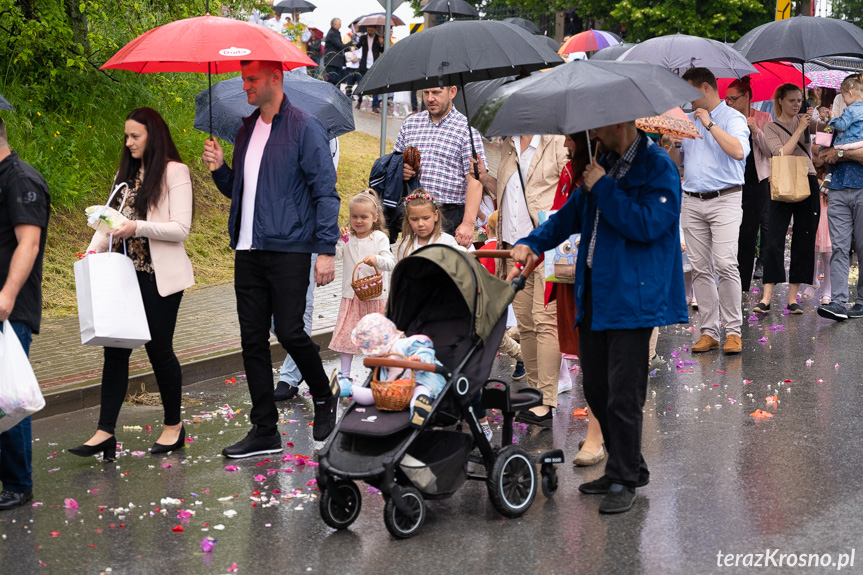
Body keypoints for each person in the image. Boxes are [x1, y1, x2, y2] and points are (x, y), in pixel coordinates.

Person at [511, 120, 687, 514]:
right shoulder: (601, 162)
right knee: (597, 389)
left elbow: (648, 225)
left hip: (633, 295)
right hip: (598, 292)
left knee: (624, 393)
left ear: (619, 122)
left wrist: (603, 186)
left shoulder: (657, 165)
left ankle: (624, 478)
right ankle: (628, 465)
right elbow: (568, 217)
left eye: (596, 127)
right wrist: (531, 243)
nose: (590, 135)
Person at [202, 60, 341, 455]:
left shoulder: (304, 127)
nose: (245, 86)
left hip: (288, 248)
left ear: (275, 79)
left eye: (252, 79)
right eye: (244, 79)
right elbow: (241, 192)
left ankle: (322, 394)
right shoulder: (246, 130)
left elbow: (325, 193)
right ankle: (265, 429)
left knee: (291, 332)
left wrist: (326, 250)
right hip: (247, 250)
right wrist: (220, 169)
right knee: (251, 341)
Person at [70, 107, 195, 460]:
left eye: (135, 136)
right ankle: (104, 432)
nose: (128, 143)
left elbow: (179, 229)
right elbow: (108, 221)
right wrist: (91, 252)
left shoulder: (175, 172)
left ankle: (173, 426)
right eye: (126, 136)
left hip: (160, 277)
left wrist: (136, 227)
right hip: (124, 274)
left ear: (152, 135)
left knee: (158, 348)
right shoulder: (125, 174)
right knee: (116, 349)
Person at [474, 133, 569, 428]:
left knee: (545, 321)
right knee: (526, 325)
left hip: (547, 247)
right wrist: (485, 177)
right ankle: (534, 392)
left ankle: (546, 399)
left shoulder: (555, 142)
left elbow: (569, 191)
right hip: (514, 248)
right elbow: (506, 192)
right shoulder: (509, 145)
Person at [668, 67, 750, 355]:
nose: (686, 100)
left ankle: (733, 331)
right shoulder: (688, 121)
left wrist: (711, 124)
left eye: (689, 92)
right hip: (691, 199)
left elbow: (739, 151)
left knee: (726, 264)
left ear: (705, 88)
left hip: (725, 198)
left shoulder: (733, 118)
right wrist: (674, 145)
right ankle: (708, 331)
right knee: (700, 268)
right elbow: (679, 161)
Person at [0, 116, 50, 510]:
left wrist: (7, 295)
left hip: (9, 307)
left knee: (11, 396)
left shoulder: (20, 180)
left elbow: (28, 244)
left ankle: (18, 483)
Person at [752, 85, 820, 315]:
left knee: (804, 238)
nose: (796, 104)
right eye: (791, 100)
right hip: (782, 182)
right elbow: (780, 154)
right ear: (780, 100)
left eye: (799, 100)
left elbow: (827, 134)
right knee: (773, 238)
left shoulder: (807, 122)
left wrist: (822, 121)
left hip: (806, 179)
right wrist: (799, 128)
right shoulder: (771, 126)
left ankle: (793, 297)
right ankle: (766, 296)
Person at [394, 86, 487, 247]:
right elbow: (394, 163)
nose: (430, 98)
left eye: (436, 92)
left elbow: (475, 180)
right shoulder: (410, 124)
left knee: (444, 270)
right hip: (415, 215)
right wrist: (400, 170)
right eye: (426, 92)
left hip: (449, 217)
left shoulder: (466, 130)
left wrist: (468, 224)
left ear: (452, 92)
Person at [329, 190, 395, 390]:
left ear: (375, 218)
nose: (358, 221)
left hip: (375, 296)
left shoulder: (379, 238)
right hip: (352, 296)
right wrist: (338, 239)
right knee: (347, 334)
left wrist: (377, 259)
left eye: (364, 217)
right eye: (354, 216)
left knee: (376, 338)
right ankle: (345, 376)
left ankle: (379, 374)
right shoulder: (349, 238)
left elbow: (390, 263)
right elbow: (337, 254)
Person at [817, 85, 863, 321]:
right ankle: (837, 302)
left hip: (861, 188)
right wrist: (825, 152)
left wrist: (841, 154)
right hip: (837, 189)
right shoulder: (839, 121)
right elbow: (821, 156)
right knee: (839, 248)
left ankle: (862, 301)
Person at [725, 77, 773, 293]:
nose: (729, 103)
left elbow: (770, 151)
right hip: (731, 180)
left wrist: (755, 130)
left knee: (748, 232)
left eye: (733, 99)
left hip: (756, 181)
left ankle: (743, 284)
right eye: (726, 99)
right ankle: (727, 279)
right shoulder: (725, 118)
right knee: (728, 232)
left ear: (747, 97)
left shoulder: (763, 117)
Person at [395, 191, 460, 260]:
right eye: (414, 219)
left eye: (426, 218)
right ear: (408, 219)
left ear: (435, 215)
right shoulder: (406, 244)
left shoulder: (447, 241)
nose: (420, 224)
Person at [824, 77, 863, 186]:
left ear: (850, 93)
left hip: (851, 142)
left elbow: (842, 125)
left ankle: (829, 175)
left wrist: (832, 118)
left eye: (843, 97)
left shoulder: (849, 110)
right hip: (861, 141)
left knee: (833, 151)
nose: (844, 101)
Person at [357, 26, 384, 112]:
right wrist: (354, 40)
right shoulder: (363, 38)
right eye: (369, 30)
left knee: (374, 86)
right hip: (364, 65)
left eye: (372, 30)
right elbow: (357, 46)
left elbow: (382, 50)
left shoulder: (378, 38)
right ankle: (359, 101)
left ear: (375, 30)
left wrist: (382, 43)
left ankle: (374, 106)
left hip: (374, 65)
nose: (370, 32)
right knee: (361, 85)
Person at [323, 18, 352, 86]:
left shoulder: (336, 33)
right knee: (333, 80)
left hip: (337, 62)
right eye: (339, 25)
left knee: (338, 81)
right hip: (332, 61)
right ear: (334, 24)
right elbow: (340, 46)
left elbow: (342, 47)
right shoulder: (332, 34)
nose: (340, 26)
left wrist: (349, 47)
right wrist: (350, 43)